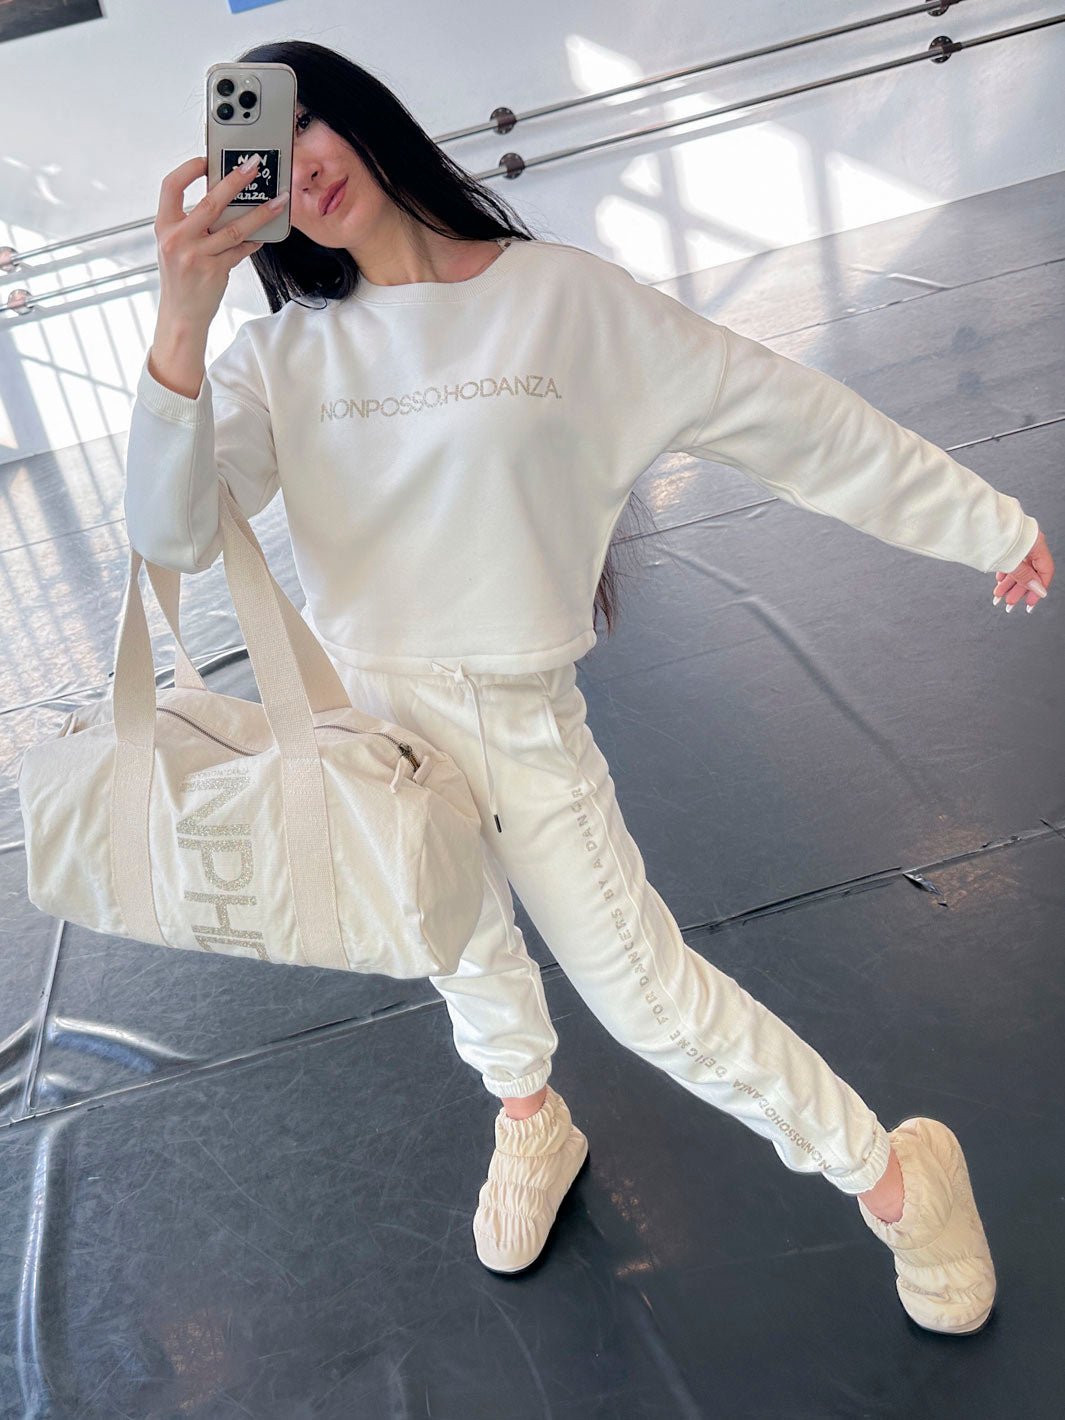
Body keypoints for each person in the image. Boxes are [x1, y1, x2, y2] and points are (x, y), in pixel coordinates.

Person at [124, 39, 1054, 1336]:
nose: (300, 168)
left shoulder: (564, 303)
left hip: (513, 719)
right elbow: (170, 534)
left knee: (647, 998)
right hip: (366, 729)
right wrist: (181, 318)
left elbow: (783, 415)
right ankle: (529, 1118)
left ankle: (898, 1178)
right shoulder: (278, 358)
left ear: (359, 116)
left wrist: (984, 521)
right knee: (454, 948)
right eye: (263, 157)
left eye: (308, 125)